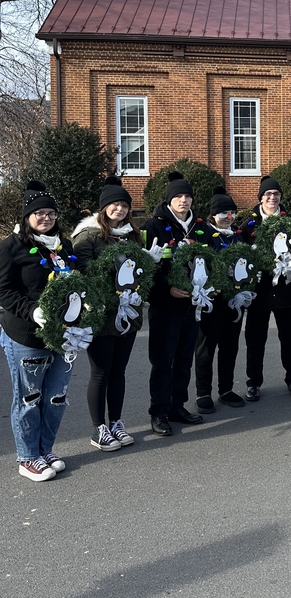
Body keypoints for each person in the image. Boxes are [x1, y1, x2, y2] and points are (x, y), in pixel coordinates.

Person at [0, 180, 75, 481]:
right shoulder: (11, 247)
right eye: (40, 213)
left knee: (56, 395)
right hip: (26, 336)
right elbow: (3, 291)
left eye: (51, 214)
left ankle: (45, 449)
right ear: (27, 216)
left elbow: (76, 283)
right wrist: (33, 310)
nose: (46, 218)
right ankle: (27, 456)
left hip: (63, 334)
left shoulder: (63, 245)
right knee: (29, 397)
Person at [72, 176, 148, 451]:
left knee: (119, 371)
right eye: (114, 204)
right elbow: (80, 273)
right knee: (101, 372)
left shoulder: (132, 235)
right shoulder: (88, 236)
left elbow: (141, 271)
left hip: (128, 314)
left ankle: (116, 422)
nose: (120, 209)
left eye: (124, 205)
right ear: (103, 208)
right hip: (101, 315)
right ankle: (99, 428)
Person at [144, 171, 214, 436]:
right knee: (163, 361)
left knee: (185, 358)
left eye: (187, 196)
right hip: (165, 306)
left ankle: (177, 406)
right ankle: (159, 412)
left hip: (192, 306)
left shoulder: (201, 227)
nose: (183, 201)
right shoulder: (155, 226)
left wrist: (211, 285)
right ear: (169, 200)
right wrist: (167, 289)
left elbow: (210, 262)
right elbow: (148, 269)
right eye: (178, 196)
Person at [243, 176, 291, 400]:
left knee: (289, 337)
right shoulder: (249, 224)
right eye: (268, 194)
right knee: (256, 339)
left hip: (285, 290)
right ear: (261, 198)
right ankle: (253, 382)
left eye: (276, 194)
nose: (272, 197)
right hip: (259, 292)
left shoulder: (290, 223)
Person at [194, 186, 247, 414]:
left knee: (230, 346)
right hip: (211, 301)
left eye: (232, 212)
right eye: (224, 213)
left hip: (234, 300)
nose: (229, 217)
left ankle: (225, 389)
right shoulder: (203, 234)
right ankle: (203, 393)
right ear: (213, 215)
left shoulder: (238, 235)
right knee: (206, 347)